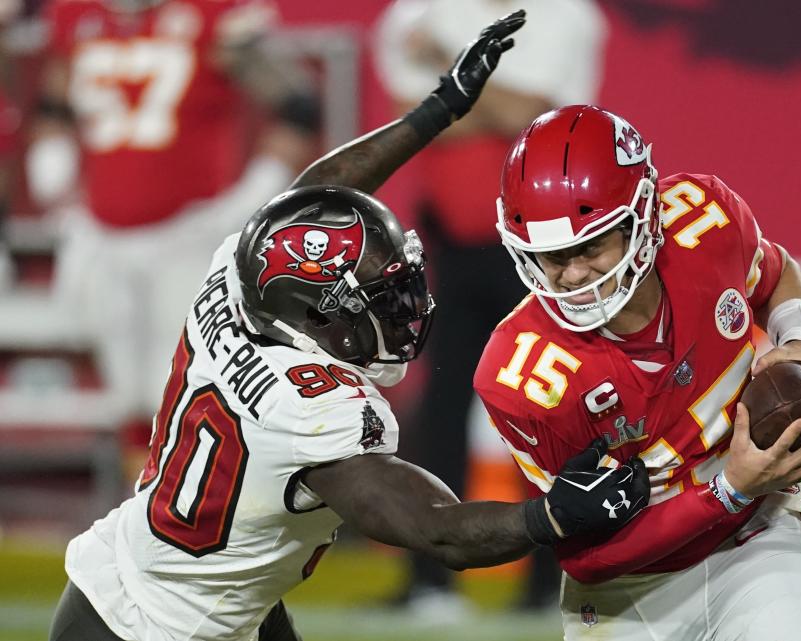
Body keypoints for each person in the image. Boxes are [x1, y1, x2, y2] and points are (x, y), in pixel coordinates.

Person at [47, 12, 653, 641]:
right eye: (381, 298)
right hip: (161, 628)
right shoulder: (317, 408)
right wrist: (550, 516)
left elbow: (313, 194)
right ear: (323, 313)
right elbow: (436, 529)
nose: (404, 310)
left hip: (149, 574)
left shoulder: (236, 274)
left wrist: (439, 108)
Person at [473, 104, 801, 640]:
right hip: (627, 595)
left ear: (645, 214)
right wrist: (729, 488)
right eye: (551, 256)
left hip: (756, 539)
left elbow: (774, 274)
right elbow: (587, 558)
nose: (574, 275)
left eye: (590, 246)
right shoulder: (522, 372)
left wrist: (799, 340)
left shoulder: (704, 221)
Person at [373, 0, 606, 613]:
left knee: (552, 408)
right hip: (450, 236)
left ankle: (554, 579)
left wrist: (452, 73)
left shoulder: (566, 15)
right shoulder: (423, 10)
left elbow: (533, 117)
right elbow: (415, 118)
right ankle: (431, 577)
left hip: (543, 246)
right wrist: (492, 100)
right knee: (441, 406)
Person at [28, 0, 321, 453]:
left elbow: (299, 105)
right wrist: (52, 162)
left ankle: (195, 509)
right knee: (126, 397)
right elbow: (55, 101)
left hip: (190, 232)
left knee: (188, 385)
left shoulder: (211, 13)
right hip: (104, 236)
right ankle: (144, 508)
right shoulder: (75, 15)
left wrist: (260, 185)